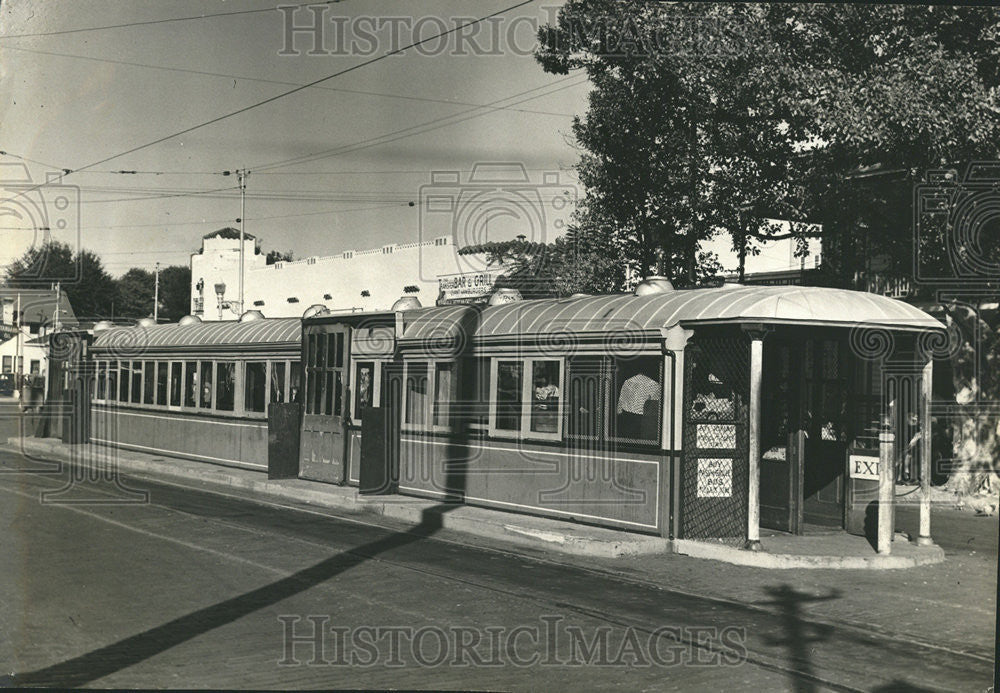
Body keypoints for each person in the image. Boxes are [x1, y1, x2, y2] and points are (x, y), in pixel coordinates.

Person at [617, 370, 660, 439]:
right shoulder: (654, 384)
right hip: (641, 421)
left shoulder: (627, 381)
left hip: (625, 418)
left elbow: (620, 403)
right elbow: (655, 409)